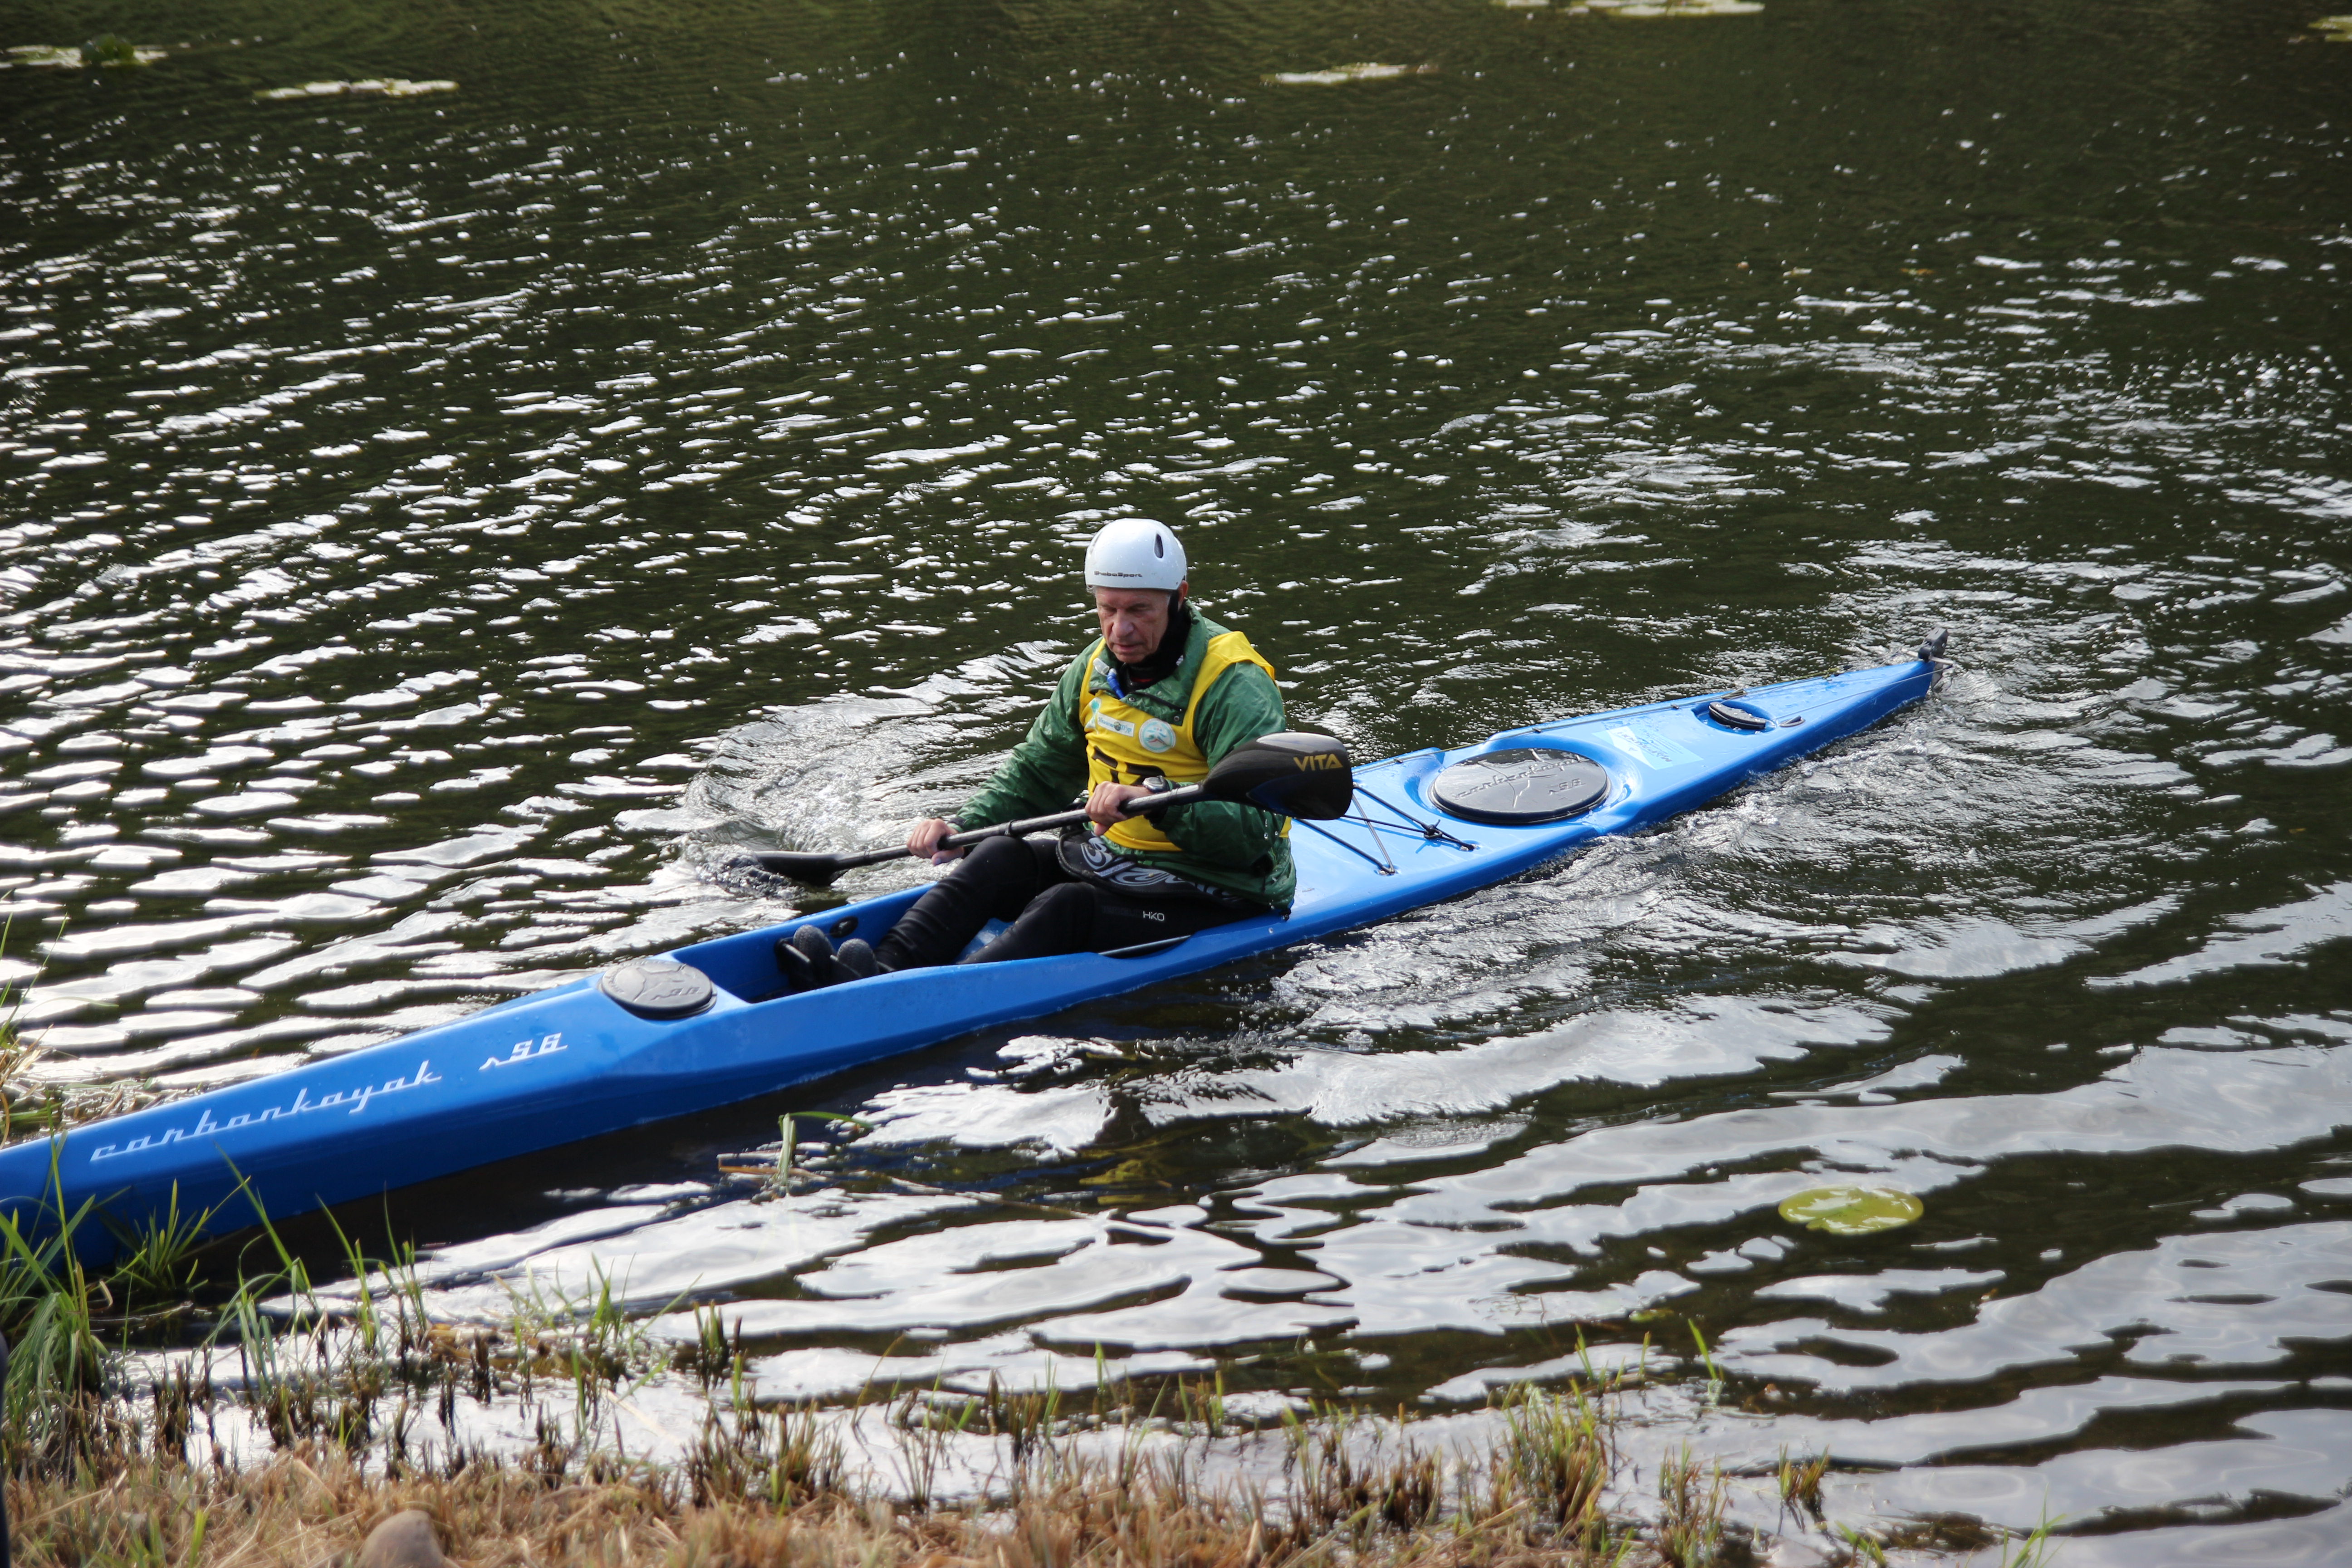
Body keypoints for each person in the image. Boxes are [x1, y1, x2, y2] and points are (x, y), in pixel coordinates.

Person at [779, 518, 1294, 987]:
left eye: (1140, 610)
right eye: (1107, 609)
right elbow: (1036, 773)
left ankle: (926, 1000)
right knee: (999, 853)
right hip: (1116, 862)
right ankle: (880, 972)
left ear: (1179, 596)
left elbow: (1252, 831)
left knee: (1067, 905)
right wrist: (960, 829)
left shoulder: (1233, 684)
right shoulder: (1094, 669)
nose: (1120, 630)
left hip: (1220, 886)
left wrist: (1153, 798)